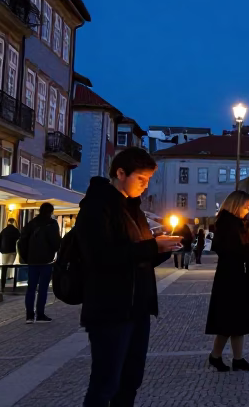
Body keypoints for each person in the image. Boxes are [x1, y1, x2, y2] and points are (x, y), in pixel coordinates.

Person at [76, 147, 182, 407]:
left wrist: (164, 248)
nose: (145, 187)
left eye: (148, 181)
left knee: (130, 381)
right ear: (120, 173)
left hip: (137, 308)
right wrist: (151, 247)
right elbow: (100, 256)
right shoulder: (97, 206)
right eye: (141, 179)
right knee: (106, 384)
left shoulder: (134, 209)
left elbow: (138, 257)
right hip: (110, 309)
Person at [205, 190, 249, 372]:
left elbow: (245, 251)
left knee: (236, 320)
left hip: (240, 275)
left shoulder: (239, 224)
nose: (248, 210)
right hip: (230, 277)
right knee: (230, 319)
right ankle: (221, 357)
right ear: (236, 205)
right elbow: (230, 251)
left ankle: (230, 358)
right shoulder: (226, 225)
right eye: (246, 206)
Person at [18, 202, 61, 323]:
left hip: (32, 261)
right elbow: (56, 242)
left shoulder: (32, 223)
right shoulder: (51, 224)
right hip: (46, 261)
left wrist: (26, 257)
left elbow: (22, 241)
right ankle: (40, 314)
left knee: (31, 288)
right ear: (51, 211)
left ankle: (29, 316)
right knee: (43, 288)